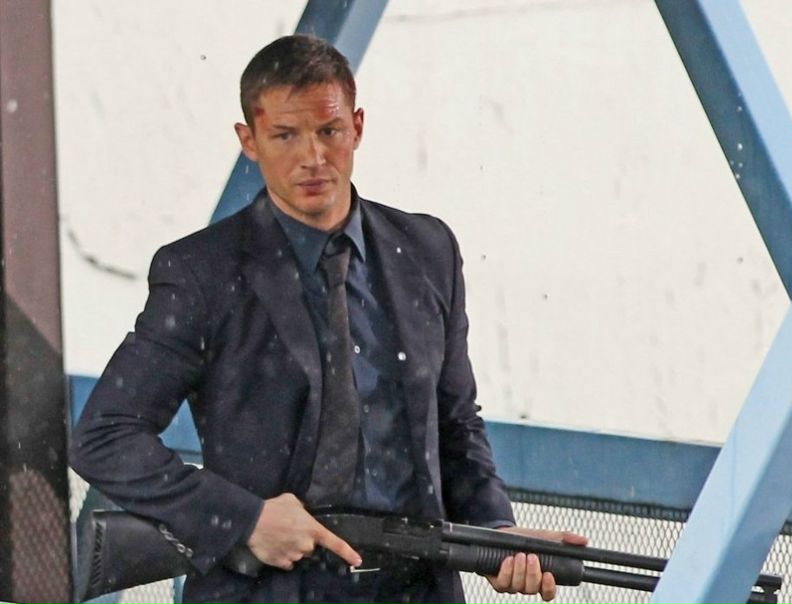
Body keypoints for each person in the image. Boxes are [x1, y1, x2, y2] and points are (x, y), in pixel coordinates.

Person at [70, 34, 586, 604]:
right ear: (248, 140)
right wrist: (245, 520)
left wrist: (495, 533)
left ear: (357, 127)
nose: (312, 157)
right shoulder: (202, 272)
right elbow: (104, 435)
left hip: (415, 591)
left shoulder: (428, 250)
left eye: (329, 131)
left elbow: (455, 422)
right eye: (285, 136)